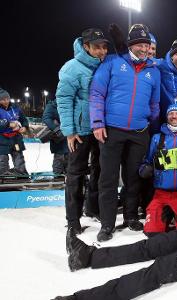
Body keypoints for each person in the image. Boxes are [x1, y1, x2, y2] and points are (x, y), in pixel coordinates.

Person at [89, 24, 161, 242]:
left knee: (133, 178)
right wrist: (98, 122)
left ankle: (130, 216)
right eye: (140, 44)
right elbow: (97, 93)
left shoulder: (153, 71)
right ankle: (107, 224)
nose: (144, 48)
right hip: (112, 131)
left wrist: (149, 121)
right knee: (108, 179)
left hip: (139, 132)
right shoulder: (112, 62)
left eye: (147, 44)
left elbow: (155, 103)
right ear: (130, 45)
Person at [56, 28, 108, 233]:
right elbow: (64, 99)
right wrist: (69, 130)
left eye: (104, 47)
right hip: (79, 131)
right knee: (76, 174)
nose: (101, 51)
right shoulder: (72, 68)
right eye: (97, 47)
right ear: (86, 46)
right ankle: (73, 218)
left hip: (100, 129)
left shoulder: (105, 66)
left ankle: (93, 208)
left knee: (99, 171)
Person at [139, 104, 177, 235]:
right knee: (152, 232)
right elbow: (146, 161)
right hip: (160, 193)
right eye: (171, 114)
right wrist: (144, 169)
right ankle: (165, 218)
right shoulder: (157, 139)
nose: (174, 116)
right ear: (166, 117)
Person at [0, 87, 29, 175]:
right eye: (3, 100)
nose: (6, 101)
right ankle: (3, 177)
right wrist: (8, 124)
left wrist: (25, 127)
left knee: (19, 159)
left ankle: (21, 176)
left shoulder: (15, 107)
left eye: (7, 99)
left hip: (16, 139)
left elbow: (24, 120)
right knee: (2, 160)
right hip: (2, 140)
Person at [42, 99, 69, 174]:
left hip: (70, 137)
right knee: (59, 159)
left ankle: (69, 180)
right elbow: (46, 118)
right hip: (59, 139)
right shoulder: (52, 106)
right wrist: (57, 129)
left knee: (70, 160)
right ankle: (58, 178)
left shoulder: (70, 104)